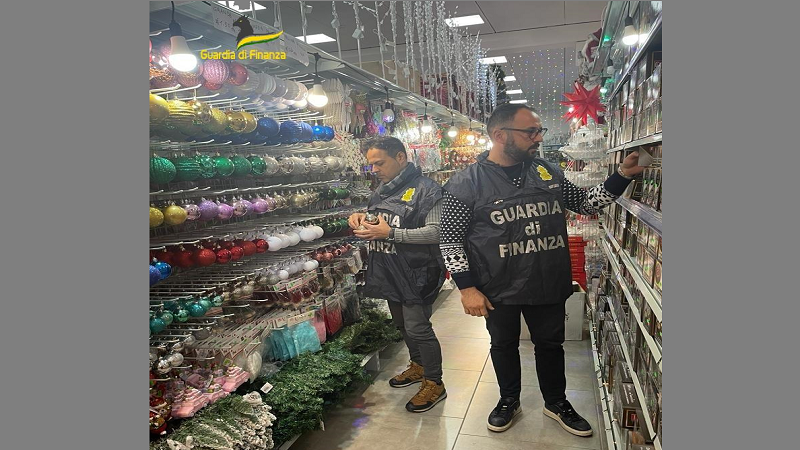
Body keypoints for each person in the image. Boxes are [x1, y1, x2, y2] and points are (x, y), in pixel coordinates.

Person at [439, 103, 644, 435]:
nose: (538, 138)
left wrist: (621, 176)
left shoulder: (546, 171)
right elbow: (450, 241)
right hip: (496, 284)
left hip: (547, 278)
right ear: (499, 135)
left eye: (539, 131)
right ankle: (509, 399)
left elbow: (585, 203)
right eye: (530, 132)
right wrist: (467, 288)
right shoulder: (465, 183)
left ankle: (556, 402)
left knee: (550, 345)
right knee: (503, 345)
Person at [348, 136, 447, 413]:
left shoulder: (428, 190)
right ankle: (418, 365)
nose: (374, 170)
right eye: (371, 165)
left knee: (418, 327)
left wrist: (391, 233)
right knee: (402, 324)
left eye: (379, 163)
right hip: (389, 269)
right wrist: (360, 218)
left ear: (400, 157)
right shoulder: (381, 191)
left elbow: (436, 232)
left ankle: (435, 382)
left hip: (417, 271)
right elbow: (380, 220)